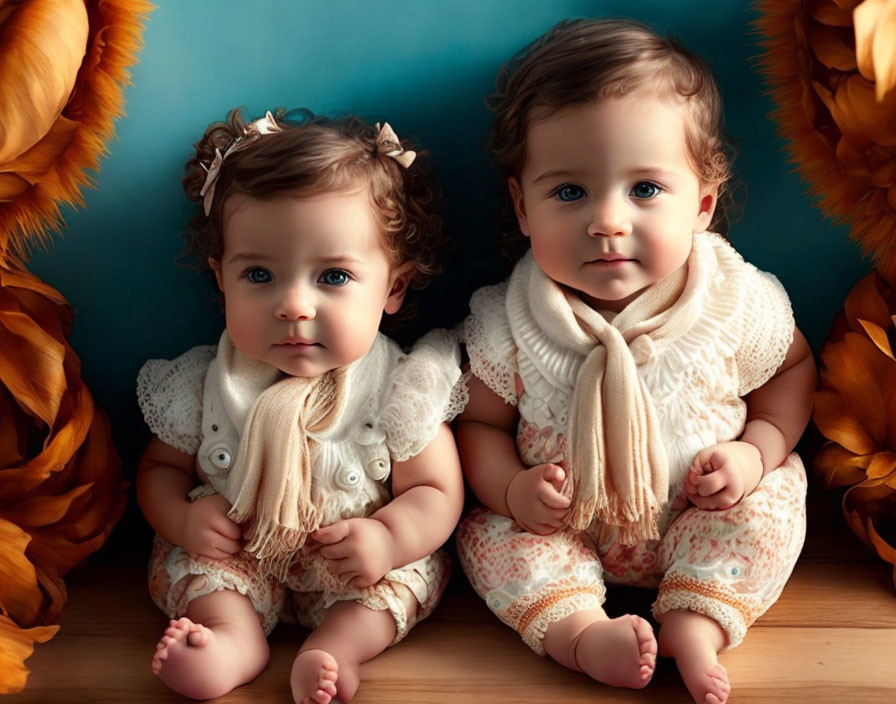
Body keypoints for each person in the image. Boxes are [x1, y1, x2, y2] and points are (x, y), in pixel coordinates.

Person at [455, 18, 816, 704]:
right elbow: (477, 424)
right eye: (569, 192)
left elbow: (791, 372)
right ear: (521, 206)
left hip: (705, 511)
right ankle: (583, 632)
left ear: (703, 203)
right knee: (491, 535)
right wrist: (511, 491)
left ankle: (696, 618)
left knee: (774, 502)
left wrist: (756, 452)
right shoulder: (509, 318)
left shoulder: (733, 299)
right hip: (564, 527)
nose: (607, 221)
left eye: (645, 189)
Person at [136, 108, 465, 704]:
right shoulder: (205, 382)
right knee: (207, 580)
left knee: (399, 584)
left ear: (393, 286)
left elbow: (437, 492)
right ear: (221, 281)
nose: (292, 305)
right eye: (259, 274)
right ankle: (232, 639)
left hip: (354, 562)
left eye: (333, 277)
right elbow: (159, 471)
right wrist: (182, 520)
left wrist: (388, 539)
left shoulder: (400, 386)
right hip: (241, 556)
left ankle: (338, 647)